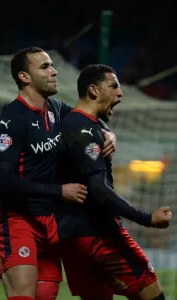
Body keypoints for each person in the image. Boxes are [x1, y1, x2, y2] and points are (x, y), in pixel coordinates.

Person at [0, 47, 116, 300]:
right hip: (15, 217)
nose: (55, 71)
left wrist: (108, 132)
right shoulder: (11, 121)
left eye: (52, 65)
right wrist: (60, 191)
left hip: (48, 219)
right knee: (24, 294)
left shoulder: (55, 109)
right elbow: (3, 181)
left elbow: (86, 118)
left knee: (46, 295)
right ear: (25, 77)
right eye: (45, 67)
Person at [57, 64, 172, 300]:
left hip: (71, 238)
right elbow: (99, 189)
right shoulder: (86, 132)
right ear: (93, 90)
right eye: (114, 86)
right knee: (153, 295)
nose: (120, 93)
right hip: (100, 234)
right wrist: (147, 219)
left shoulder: (69, 123)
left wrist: (106, 129)